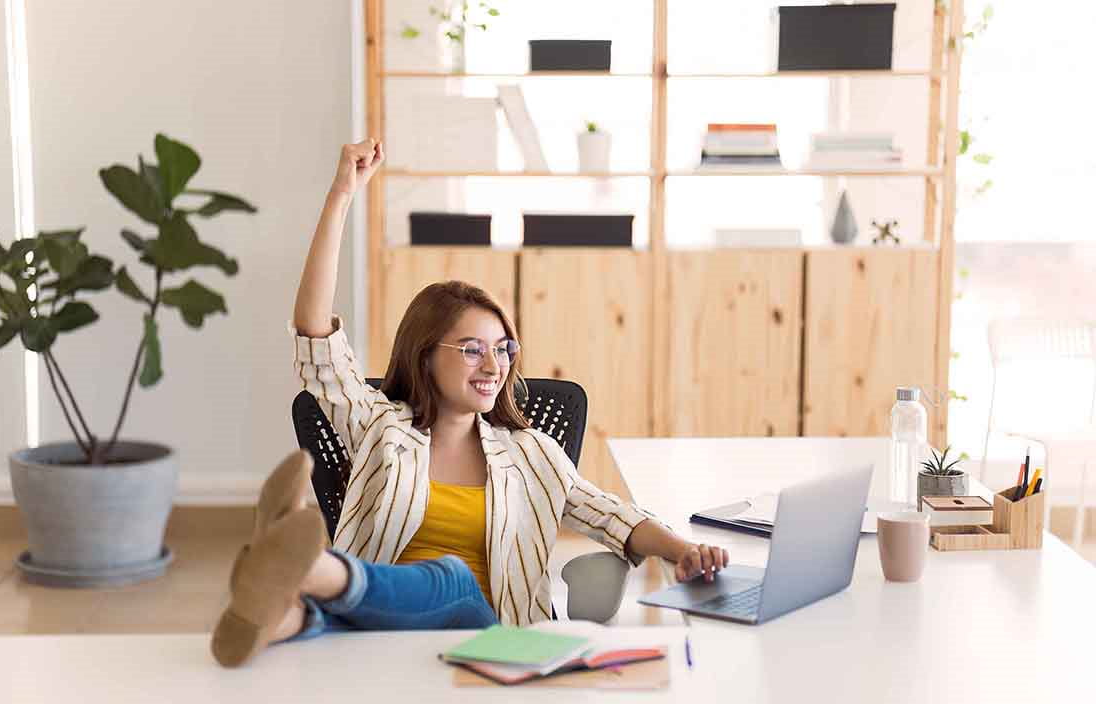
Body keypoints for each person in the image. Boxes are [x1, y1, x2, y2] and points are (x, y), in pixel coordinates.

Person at [211, 138, 729, 668]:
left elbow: (616, 518)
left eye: (504, 349)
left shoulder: (532, 454)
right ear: (425, 355)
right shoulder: (380, 429)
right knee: (325, 616)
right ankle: (279, 615)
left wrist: (683, 551)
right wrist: (342, 194)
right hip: (378, 638)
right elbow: (315, 337)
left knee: (453, 581)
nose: (494, 365)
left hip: (491, 641)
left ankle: (312, 572)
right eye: (472, 349)